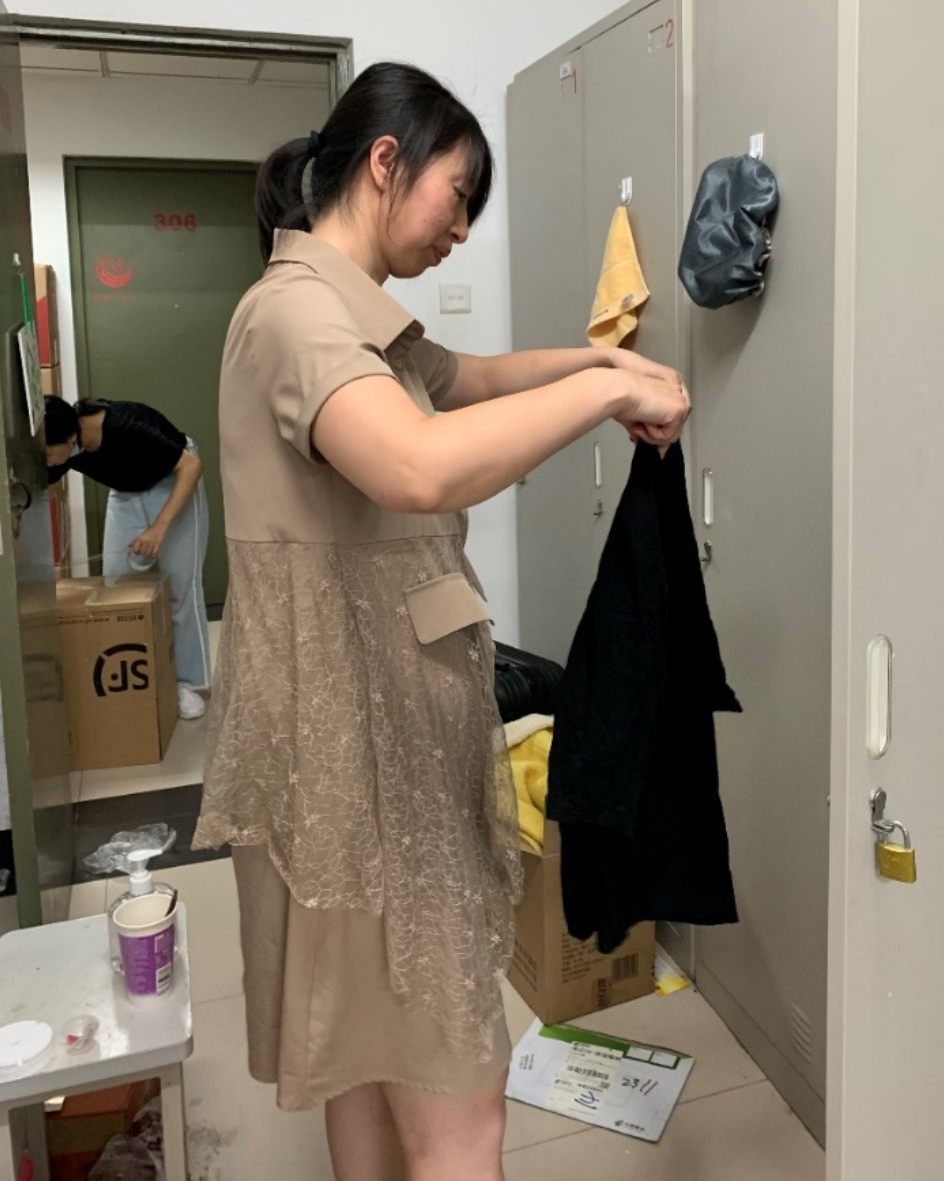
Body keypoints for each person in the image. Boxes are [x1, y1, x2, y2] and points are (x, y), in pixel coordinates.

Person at [192, 62, 689, 1181]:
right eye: (456, 196)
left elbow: (472, 378)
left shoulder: (352, 312)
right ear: (385, 163)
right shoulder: (297, 316)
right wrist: (610, 396)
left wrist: (597, 357)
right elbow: (417, 465)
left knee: (366, 1062)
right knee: (459, 1115)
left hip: (360, 741)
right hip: (357, 761)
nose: (461, 229)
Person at [44, 395, 211, 720]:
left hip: (174, 479)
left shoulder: (125, 427)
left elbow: (191, 467)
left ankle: (189, 684)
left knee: (182, 587)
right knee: (116, 588)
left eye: (49, 455)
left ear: (70, 437)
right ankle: (131, 678)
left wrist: (159, 528)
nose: (48, 463)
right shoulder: (61, 449)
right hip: (125, 490)